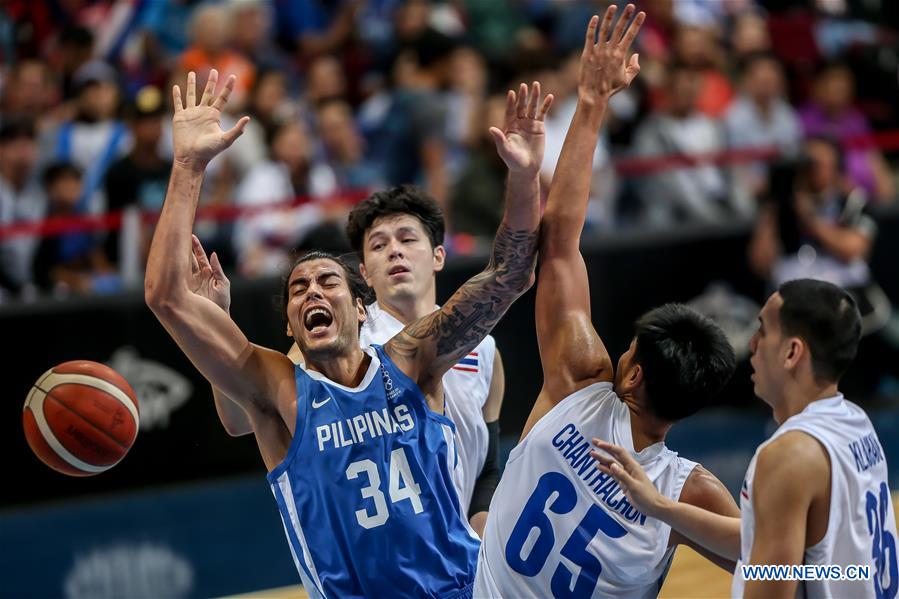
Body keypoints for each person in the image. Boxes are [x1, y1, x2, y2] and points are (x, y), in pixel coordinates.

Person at [144, 69, 551, 598]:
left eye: (327, 281)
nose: (312, 291)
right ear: (291, 324)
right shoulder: (281, 390)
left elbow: (511, 274)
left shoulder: (412, 359)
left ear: (362, 310)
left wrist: (524, 177)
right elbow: (165, 295)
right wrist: (187, 166)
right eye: (298, 289)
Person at [473, 7, 740, 598]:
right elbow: (783, 574)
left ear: (634, 371)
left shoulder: (579, 381)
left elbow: (561, 240)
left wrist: (593, 99)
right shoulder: (688, 492)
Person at [198, 184, 507, 536]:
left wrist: (478, 534)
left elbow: (487, 467)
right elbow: (241, 419)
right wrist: (216, 323)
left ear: (438, 255)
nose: (394, 252)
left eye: (407, 239)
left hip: (459, 556)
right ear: (364, 271)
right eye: (379, 244)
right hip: (375, 548)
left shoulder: (484, 350)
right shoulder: (340, 338)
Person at [591, 278, 898, 598]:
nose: (752, 344)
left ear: (792, 352)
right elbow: (775, 547)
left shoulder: (789, 455)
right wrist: (661, 507)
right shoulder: (854, 422)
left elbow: (774, 581)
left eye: (763, 330)